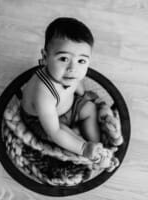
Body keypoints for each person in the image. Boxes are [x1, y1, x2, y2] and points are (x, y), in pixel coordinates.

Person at [20, 17, 104, 161]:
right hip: (43, 120)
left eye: (81, 61)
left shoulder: (68, 74)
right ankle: (87, 149)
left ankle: (99, 148)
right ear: (45, 57)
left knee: (90, 109)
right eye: (64, 59)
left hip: (66, 107)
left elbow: (76, 82)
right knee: (63, 133)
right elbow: (55, 131)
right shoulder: (43, 92)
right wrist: (81, 147)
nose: (73, 68)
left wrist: (82, 94)